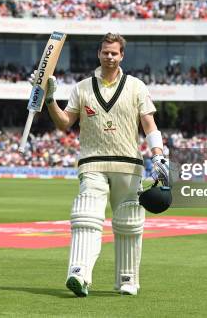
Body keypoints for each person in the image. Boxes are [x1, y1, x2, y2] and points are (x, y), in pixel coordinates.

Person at [38, 32, 168, 297]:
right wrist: (50, 99)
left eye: (114, 53)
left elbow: (148, 123)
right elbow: (65, 123)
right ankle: (79, 274)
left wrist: (158, 154)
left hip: (128, 164)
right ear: (99, 54)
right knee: (86, 215)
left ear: (122, 56)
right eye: (105, 52)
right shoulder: (82, 87)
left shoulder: (136, 86)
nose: (109, 56)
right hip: (92, 162)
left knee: (130, 222)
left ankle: (128, 279)